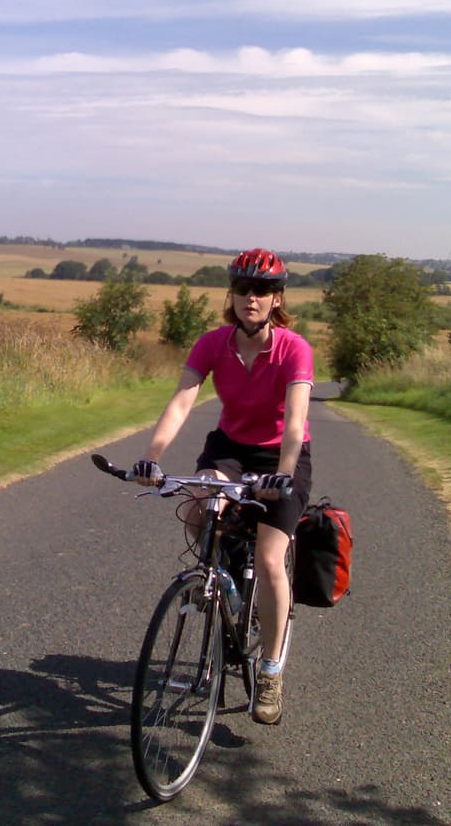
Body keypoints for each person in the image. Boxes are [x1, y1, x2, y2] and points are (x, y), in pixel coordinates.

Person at [131, 248, 313, 726]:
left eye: (262, 291)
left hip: (279, 457)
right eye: (242, 289)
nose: (250, 298)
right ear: (230, 295)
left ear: (277, 299)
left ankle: (270, 669)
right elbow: (182, 401)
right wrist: (152, 457)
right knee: (197, 506)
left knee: (272, 558)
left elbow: (295, 422)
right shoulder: (212, 343)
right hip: (230, 448)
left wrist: (286, 473)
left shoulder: (294, 347)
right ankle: (226, 586)